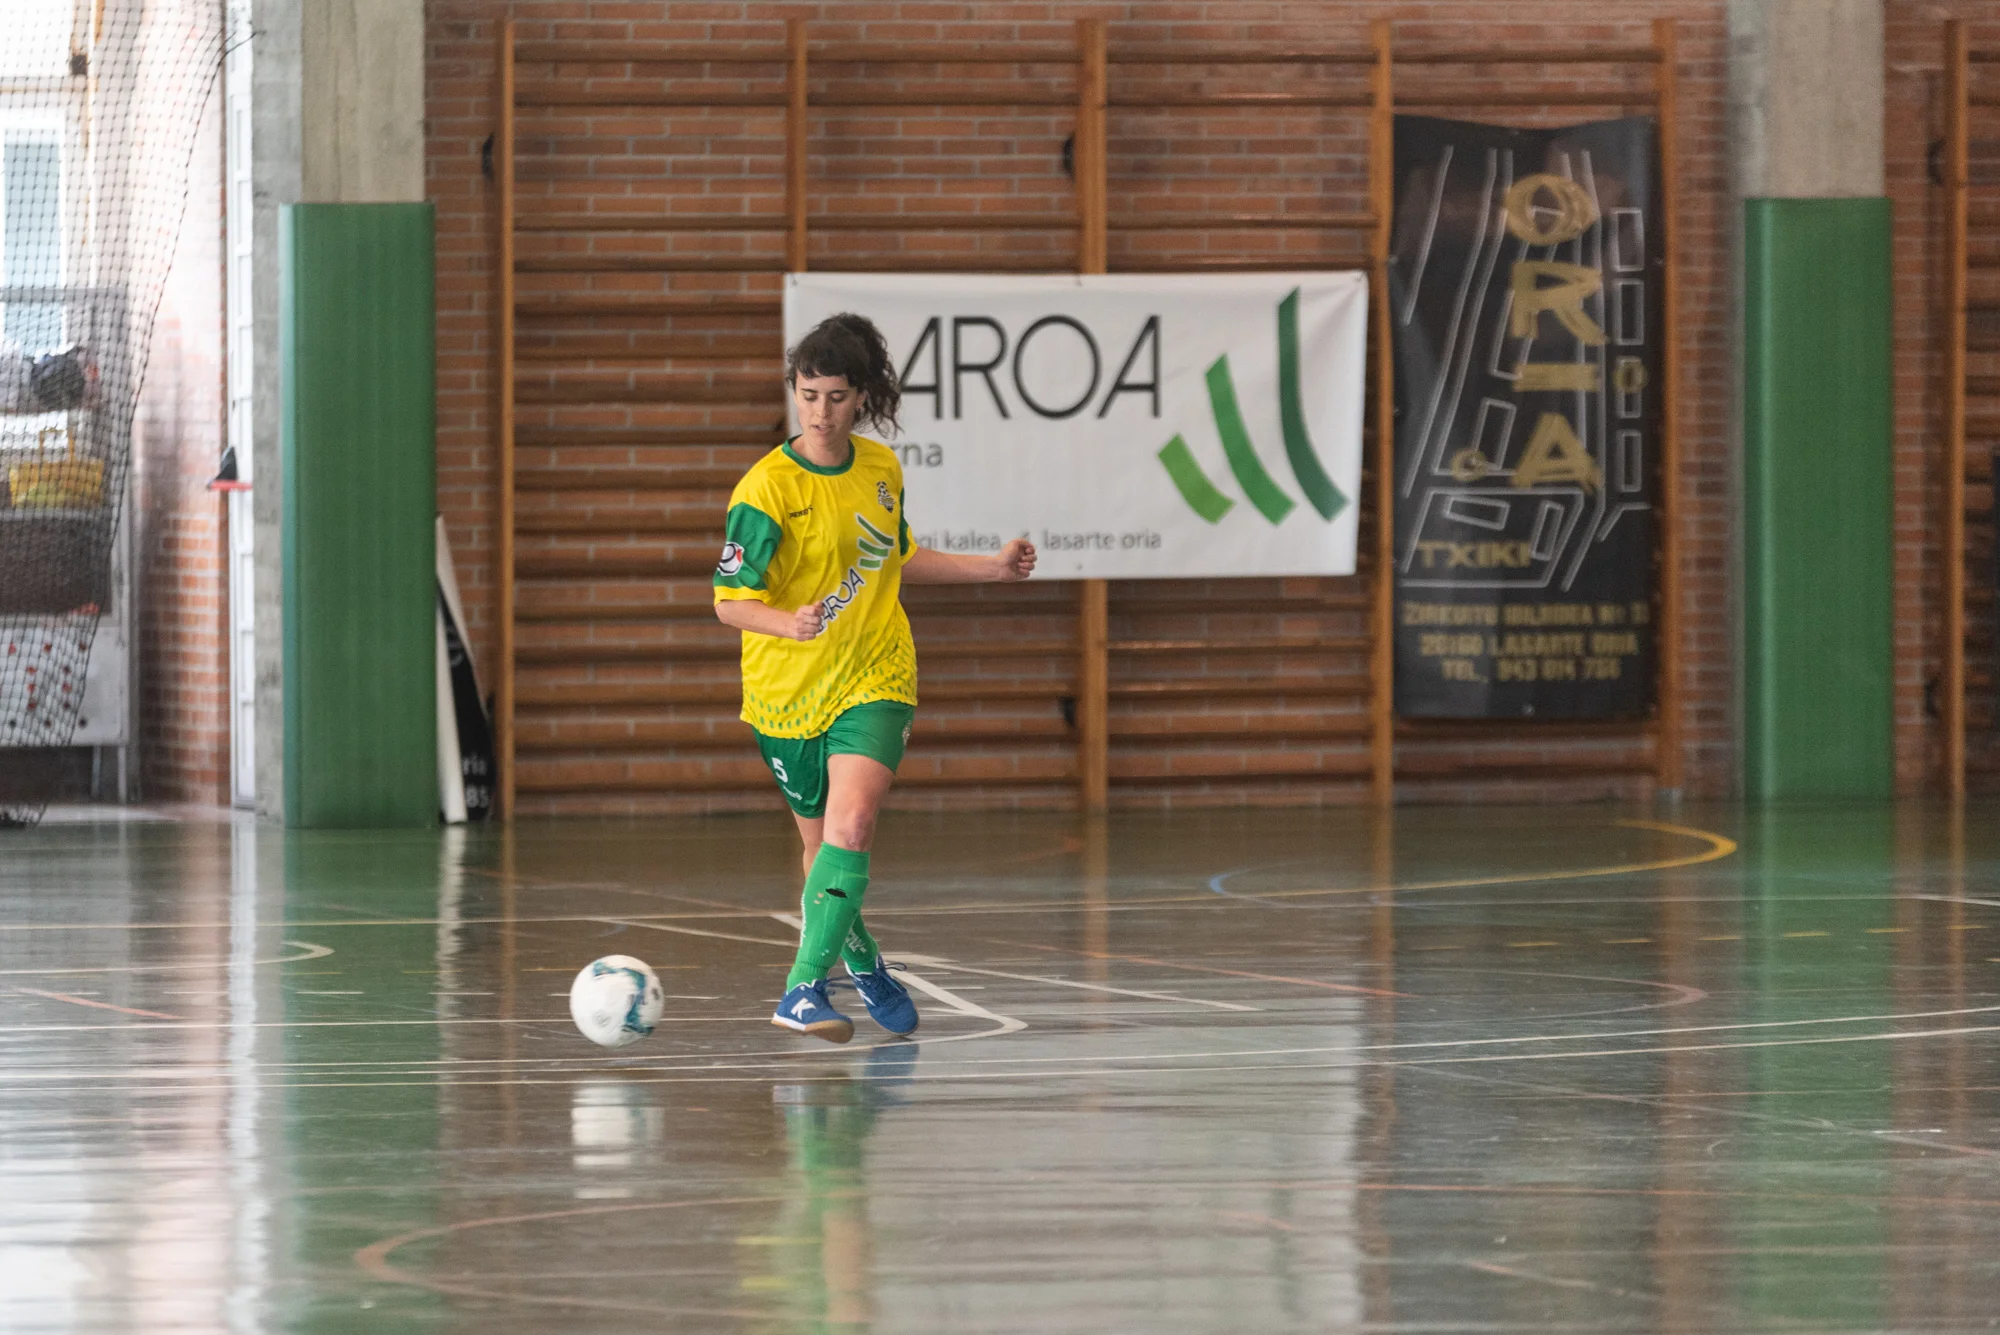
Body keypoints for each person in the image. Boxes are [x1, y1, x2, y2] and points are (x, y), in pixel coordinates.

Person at [714, 312, 1036, 1042]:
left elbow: (897, 558)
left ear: (861, 397)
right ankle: (863, 962)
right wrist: (787, 622)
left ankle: (802, 989)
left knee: (852, 825)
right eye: (807, 395)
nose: (820, 412)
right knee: (821, 851)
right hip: (787, 692)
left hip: (875, 672)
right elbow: (729, 602)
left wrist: (990, 568)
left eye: (835, 397)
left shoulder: (881, 469)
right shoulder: (764, 491)